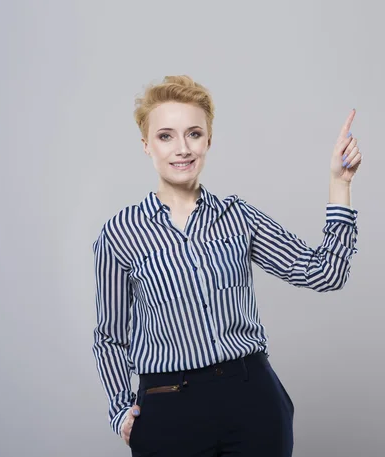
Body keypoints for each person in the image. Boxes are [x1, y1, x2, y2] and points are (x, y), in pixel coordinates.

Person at [91, 75, 362, 457]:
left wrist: (340, 184)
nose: (182, 148)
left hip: (251, 400)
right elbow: (110, 336)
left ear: (209, 141)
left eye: (194, 134)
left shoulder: (238, 218)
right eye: (166, 136)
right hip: (168, 409)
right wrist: (121, 411)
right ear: (146, 145)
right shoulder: (120, 233)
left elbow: (324, 273)